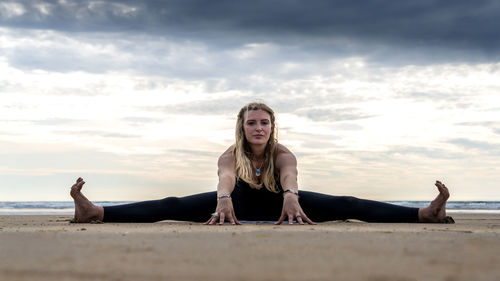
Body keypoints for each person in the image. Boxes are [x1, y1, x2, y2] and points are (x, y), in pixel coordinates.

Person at [70, 102, 454, 225]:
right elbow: (224, 178)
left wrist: (291, 195)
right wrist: (222, 200)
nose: (258, 127)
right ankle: (96, 212)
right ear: (242, 126)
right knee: (172, 205)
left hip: (281, 201)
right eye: (251, 122)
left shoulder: (282, 153)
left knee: (348, 204)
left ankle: (424, 214)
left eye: (264, 122)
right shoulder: (230, 154)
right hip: (234, 203)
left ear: (272, 127)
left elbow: (290, 174)